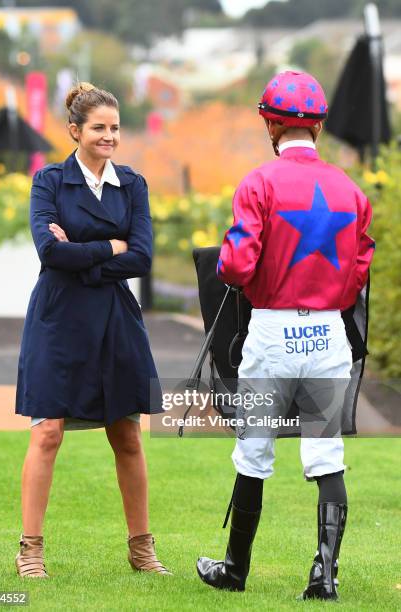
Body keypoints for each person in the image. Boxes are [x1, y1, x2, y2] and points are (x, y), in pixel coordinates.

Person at [196, 71, 374, 599]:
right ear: (318, 126)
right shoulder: (351, 190)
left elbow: (235, 266)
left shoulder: (259, 183)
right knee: (326, 453)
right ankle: (325, 575)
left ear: (271, 124)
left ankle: (235, 569)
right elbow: (360, 270)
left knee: (254, 452)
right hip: (327, 335)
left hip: (272, 332)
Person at [15, 82, 170, 578]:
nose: (109, 137)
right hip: (58, 319)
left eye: (115, 128)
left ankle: (142, 550)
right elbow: (49, 253)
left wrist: (86, 254)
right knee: (48, 434)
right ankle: (30, 551)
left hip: (115, 319)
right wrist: (111, 249)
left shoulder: (134, 184)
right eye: (99, 128)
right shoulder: (49, 181)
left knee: (127, 435)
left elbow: (143, 257)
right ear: (75, 131)